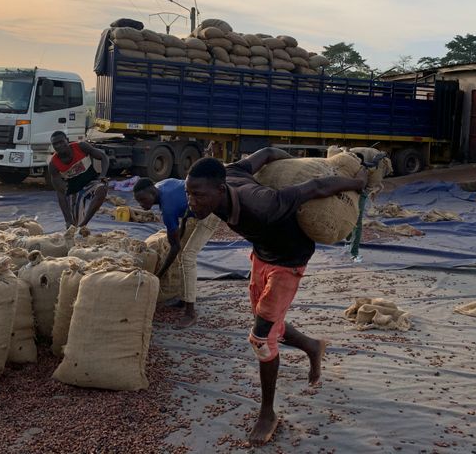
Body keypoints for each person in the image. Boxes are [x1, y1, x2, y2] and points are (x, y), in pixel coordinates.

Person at [185, 148, 367, 446]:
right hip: (262, 255)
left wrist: (358, 184)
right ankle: (312, 345)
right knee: (266, 324)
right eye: (189, 193)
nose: (191, 202)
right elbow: (268, 152)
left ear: (220, 190)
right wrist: (288, 160)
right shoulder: (229, 173)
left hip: (288, 262)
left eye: (198, 195)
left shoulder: (262, 205)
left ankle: (267, 413)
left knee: (261, 338)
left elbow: (316, 187)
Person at [133, 177, 220, 328]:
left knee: (187, 256)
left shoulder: (167, 209)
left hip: (211, 212)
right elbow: (184, 204)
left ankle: (190, 313)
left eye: (142, 199)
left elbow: (175, 247)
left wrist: (158, 276)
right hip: (198, 209)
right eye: (138, 201)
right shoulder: (163, 185)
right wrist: (181, 230)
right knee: (182, 253)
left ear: (152, 191)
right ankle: (184, 297)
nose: (141, 204)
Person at [48, 131, 110, 228]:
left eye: (61, 142)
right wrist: (67, 219)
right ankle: (79, 228)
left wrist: (102, 175)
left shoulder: (81, 147)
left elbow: (103, 157)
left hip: (91, 183)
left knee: (102, 189)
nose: (59, 146)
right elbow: (60, 193)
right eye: (55, 144)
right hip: (75, 192)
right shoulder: (53, 164)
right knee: (73, 226)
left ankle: (84, 223)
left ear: (67, 141)